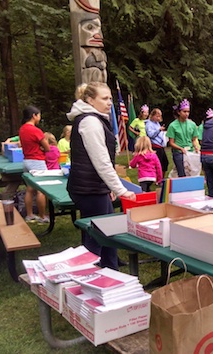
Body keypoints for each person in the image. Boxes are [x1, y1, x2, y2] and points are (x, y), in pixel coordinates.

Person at [66, 82, 136, 270]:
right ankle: (93, 275)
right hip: (87, 189)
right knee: (95, 238)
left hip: (94, 187)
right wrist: (120, 190)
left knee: (108, 228)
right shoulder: (90, 122)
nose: (109, 103)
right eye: (104, 98)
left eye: (110, 98)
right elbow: (101, 161)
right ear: (89, 100)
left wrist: (109, 188)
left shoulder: (94, 118)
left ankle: (111, 268)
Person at [19, 105, 49, 223]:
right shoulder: (35, 130)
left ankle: (30, 215)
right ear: (34, 116)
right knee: (41, 190)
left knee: (30, 189)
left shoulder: (22, 129)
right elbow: (47, 147)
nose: (40, 118)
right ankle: (42, 216)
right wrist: (42, 148)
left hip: (26, 161)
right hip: (37, 161)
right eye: (39, 115)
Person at [167, 99, 200, 177]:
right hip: (178, 152)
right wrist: (180, 148)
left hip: (190, 152)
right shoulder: (173, 125)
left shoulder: (192, 124)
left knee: (192, 172)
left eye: (188, 112)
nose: (186, 114)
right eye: (184, 111)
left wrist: (196, 147)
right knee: (181, 173)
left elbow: (194, 139)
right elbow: (171, 142)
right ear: (179, 112)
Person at [145, 108, 169, 177]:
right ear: (152, 115)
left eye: (160, 116)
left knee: (165, 162)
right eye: (157, 116)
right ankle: (157, 179)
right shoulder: (149, 124)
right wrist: (159, 130)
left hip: (161, 145)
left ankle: (161, 177)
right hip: (155, 146)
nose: (159, 118)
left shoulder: (157, 123)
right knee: (158, 163)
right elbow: (151, 135)